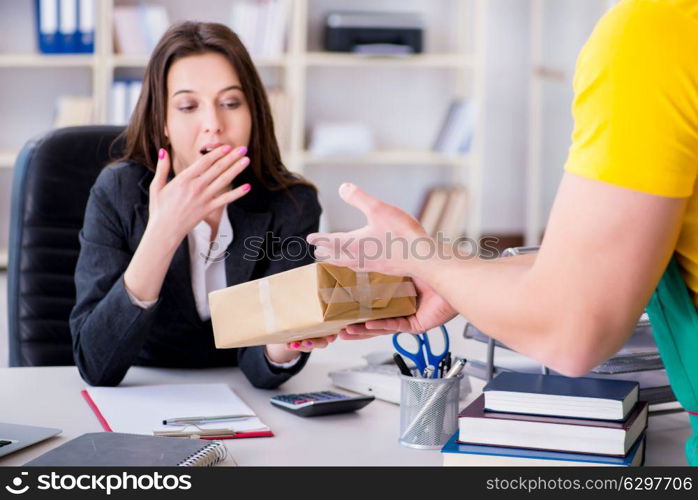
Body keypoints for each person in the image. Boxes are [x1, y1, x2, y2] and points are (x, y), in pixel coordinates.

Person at [307, 0, 698, 464]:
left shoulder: (657, 32)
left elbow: (570, 334)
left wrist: (421, 255)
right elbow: (609, 254)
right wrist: (458, 278)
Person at [70, 21, 335, 388]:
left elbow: (262, 368)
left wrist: (285, 345)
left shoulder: (292, 204)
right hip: (144, 393)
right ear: (162, 120)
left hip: (246, 398)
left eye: (230, 102)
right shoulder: (119, 191)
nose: (214, 124)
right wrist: (163, 232)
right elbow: (96, 365)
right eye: (188, 105)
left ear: (253, 113)